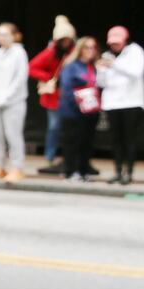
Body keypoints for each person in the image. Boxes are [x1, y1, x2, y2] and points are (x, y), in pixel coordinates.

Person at [97, 25, 144, 185]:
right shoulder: (106, 55)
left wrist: (114, 65)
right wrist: (101, 70)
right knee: (115, 139)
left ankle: (129, 172)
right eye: (112, 43)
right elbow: (101, 82)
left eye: (118, 42)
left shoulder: (135, 51)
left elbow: (136, 72)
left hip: (132, 102)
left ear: (125, 40)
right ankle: (118, 171)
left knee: (129, 139)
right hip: (112, 103)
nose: (114, 45)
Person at [28, 18, 76, 174]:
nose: (66, 42)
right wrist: (48, 77)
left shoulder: (75, 51)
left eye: (68, 39)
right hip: (54, 96)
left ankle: (70, 157)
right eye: (63, 39)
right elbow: (31, 67)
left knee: (70, 128)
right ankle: (50, 157)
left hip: (71, 96)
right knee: (54, 127)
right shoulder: (50, 52)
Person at [0, 22, 30, 182]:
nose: (1, 38)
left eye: (5, 34)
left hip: (14, 102)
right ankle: (0, 166)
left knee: (13, 134)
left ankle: (17, 167)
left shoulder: (19, 53)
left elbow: (20, 78)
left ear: (14, 36)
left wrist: (8, 96)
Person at [58, 36, 102, 182]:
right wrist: (80, 103)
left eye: (93, 47)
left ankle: (84, 170)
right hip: (73, 111)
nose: (90, 51)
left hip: (90, 111)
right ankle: (71, 171)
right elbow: (66, 88)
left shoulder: (94, 67)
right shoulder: (71, 66)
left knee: (87, 142)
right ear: (80, 49)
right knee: (72, 142)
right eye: (87, 47)